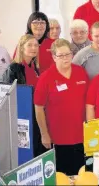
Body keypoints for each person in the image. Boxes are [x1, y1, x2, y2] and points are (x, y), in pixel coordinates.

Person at [33, 39, 88, 175]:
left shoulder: (80, 72)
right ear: (54, 57)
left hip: (81, 136)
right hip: (58, 138)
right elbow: (39, 108)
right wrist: (44, 134)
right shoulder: (46, 78)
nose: (65, 58)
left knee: (80, 175)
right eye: (61, 55)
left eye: (68, 54)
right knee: (62, 177)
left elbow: (88, 103)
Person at [4, 34, 45, 158]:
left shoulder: (35, 67)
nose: (34, 48)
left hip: (36, 114)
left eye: (36, 45)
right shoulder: (13, 68)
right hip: (23, 116)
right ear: (21, 47)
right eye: (30, 45)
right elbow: (8, 96)